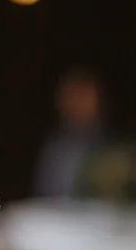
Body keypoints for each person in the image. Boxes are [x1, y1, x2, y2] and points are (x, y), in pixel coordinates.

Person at [34, 67, 105, 199]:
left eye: (83, 97)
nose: (77, 105)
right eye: (71, 97)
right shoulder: (54, 147)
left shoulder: (111, 146)